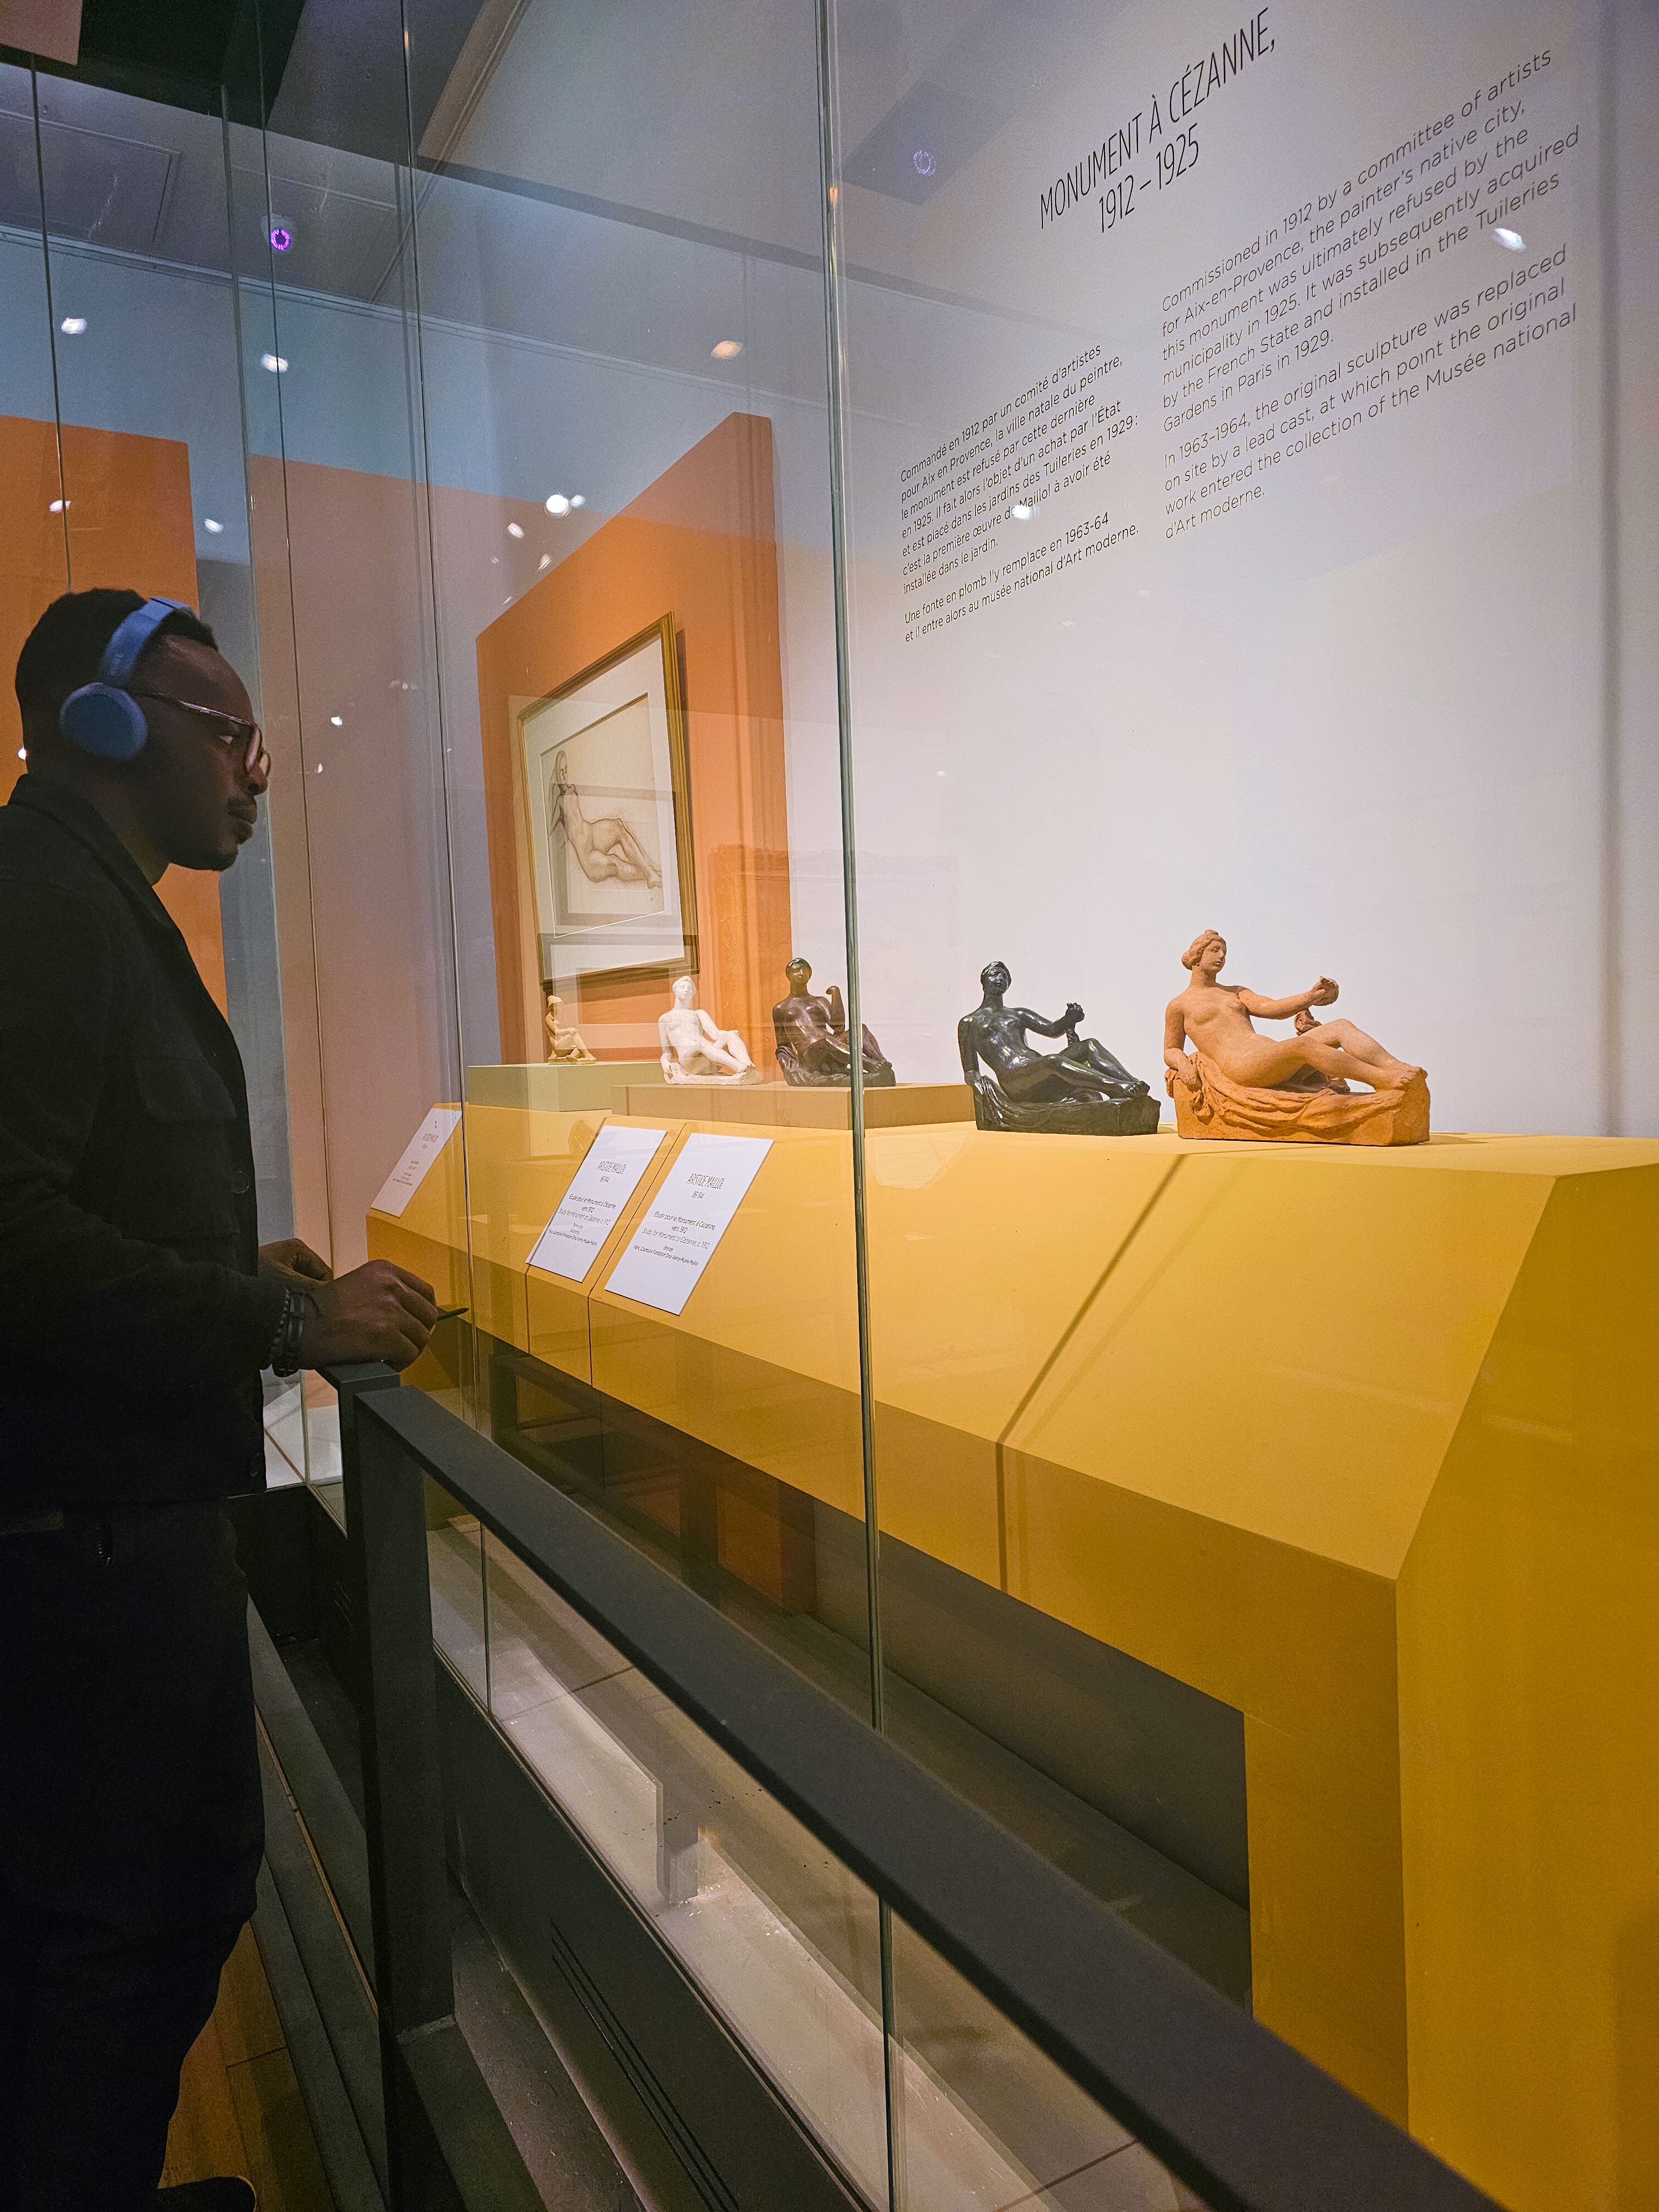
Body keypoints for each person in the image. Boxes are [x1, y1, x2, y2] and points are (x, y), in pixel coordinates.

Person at [0, 591, 437, 2212]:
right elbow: (12, 1233)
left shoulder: (74, 897)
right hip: (91, 1539)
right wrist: (285, 1314)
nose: (257, 771)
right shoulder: (49, 906)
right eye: (232, 732)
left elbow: (66, 1186)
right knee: (140, 1916)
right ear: (110, 722)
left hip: (96, 1520)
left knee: (96, 1924)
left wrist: (219, 1262)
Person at [1162, 929, 1423, 1094]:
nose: (1221, 956)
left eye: (1224, 952)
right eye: (1215, 950)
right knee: (1303, 1046)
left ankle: (1396, 1067)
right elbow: (1171, 1049)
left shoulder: (1236, 992)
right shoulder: (1180, 1005)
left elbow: (1272, 1008)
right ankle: (1380, 1078)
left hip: (1270, 1056)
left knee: (1340, 1026)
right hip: (1243, 1066)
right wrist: (1183, 1065)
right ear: (1197, 956)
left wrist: (1310, 997)